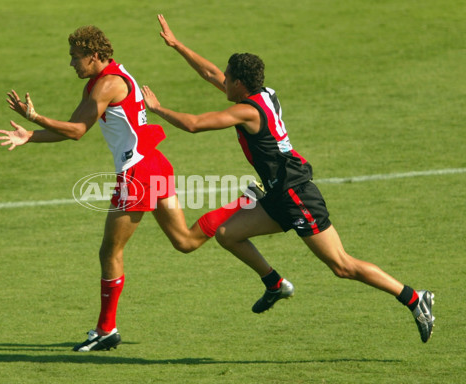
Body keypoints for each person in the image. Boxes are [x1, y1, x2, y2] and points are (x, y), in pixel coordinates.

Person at [140, 14, 435, 343]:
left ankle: (413, 297)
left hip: (296, 194)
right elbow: (211, 73)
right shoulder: (264, 94)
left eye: (228, 78)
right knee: (226, 233)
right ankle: (274, 283)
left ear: (239, 84)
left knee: (341, 265)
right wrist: (177, 45)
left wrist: (159, 109)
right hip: (279, 193)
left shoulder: (247, 111)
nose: (222, 80)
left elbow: (195, 123)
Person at [0, 25, 259, 351]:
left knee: (110, 251)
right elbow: (73, 128)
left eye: (75, 58)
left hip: (136, 173)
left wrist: (35, 117)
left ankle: (106, 330)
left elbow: (78, 130)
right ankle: (245, 201)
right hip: (154, 162)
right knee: (185, 241)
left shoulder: (106, 85)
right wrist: (30, 136)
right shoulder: (104, 79)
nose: (71, 64)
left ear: (94, 56)